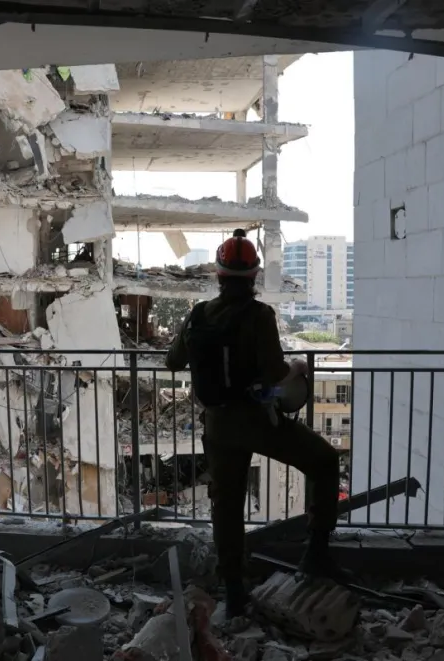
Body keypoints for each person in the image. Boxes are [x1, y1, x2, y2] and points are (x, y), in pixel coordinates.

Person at [165, 228, 342, 616]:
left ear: (218, 274)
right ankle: (315, 555)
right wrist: (295, 367)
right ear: (254, 277)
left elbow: (173, 361)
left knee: (226, 506)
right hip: (256, 420)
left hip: (217, 426)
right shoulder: (260, 315)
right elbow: (273, 369)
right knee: (325, 462)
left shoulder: (198, 314)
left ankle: (234, 593)